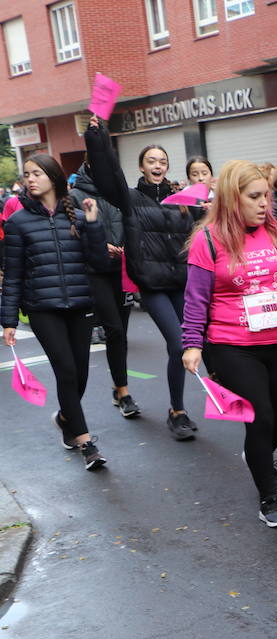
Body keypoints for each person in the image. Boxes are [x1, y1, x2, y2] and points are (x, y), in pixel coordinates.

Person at [180, 160, 277, 527]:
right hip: (231, 343)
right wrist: (192, 343)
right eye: (254, 197)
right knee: (260, 417)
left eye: (266, 195)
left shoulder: (274, 230)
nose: (264, 203)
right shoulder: (207, 240)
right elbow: (195, 298)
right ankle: (268, 496)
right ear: (234, 199)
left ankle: (260, 457)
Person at [84, 117, 201, 440]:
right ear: (141, 166)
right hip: (152, 285)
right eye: (151, 160)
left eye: (162, 161)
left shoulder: (182, 200)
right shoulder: (130, 198)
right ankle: (177, 412)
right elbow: (107, 174)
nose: (158, 165)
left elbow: (200, 233)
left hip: (180, 281)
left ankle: (177, 408)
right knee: (178, 343)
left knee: (187, 345)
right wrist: (98, 137)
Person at [2, 154, 108, 470]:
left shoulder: (76, 213)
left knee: (81, 374)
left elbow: (99, 262)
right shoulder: (18, 222)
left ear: (53, 177)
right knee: (66, 370)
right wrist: (8, 320)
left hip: (79, 304)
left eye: (37, 173)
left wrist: (93, 224)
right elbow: (14, 273)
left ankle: (66, 420)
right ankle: (86, 442)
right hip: (42, 309)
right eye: (27, 174)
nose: (30, 179)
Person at [68, 161, 138, 419]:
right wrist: (100, 246)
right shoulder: (74, 196)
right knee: (114, 329)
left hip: (122, 269)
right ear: (89, 165)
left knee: (121, 334)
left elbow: (132, 225)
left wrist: (128, 246)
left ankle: (117, 387)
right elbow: (73, 236)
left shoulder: (119, 193)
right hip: (95, 271)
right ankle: (124, 391)